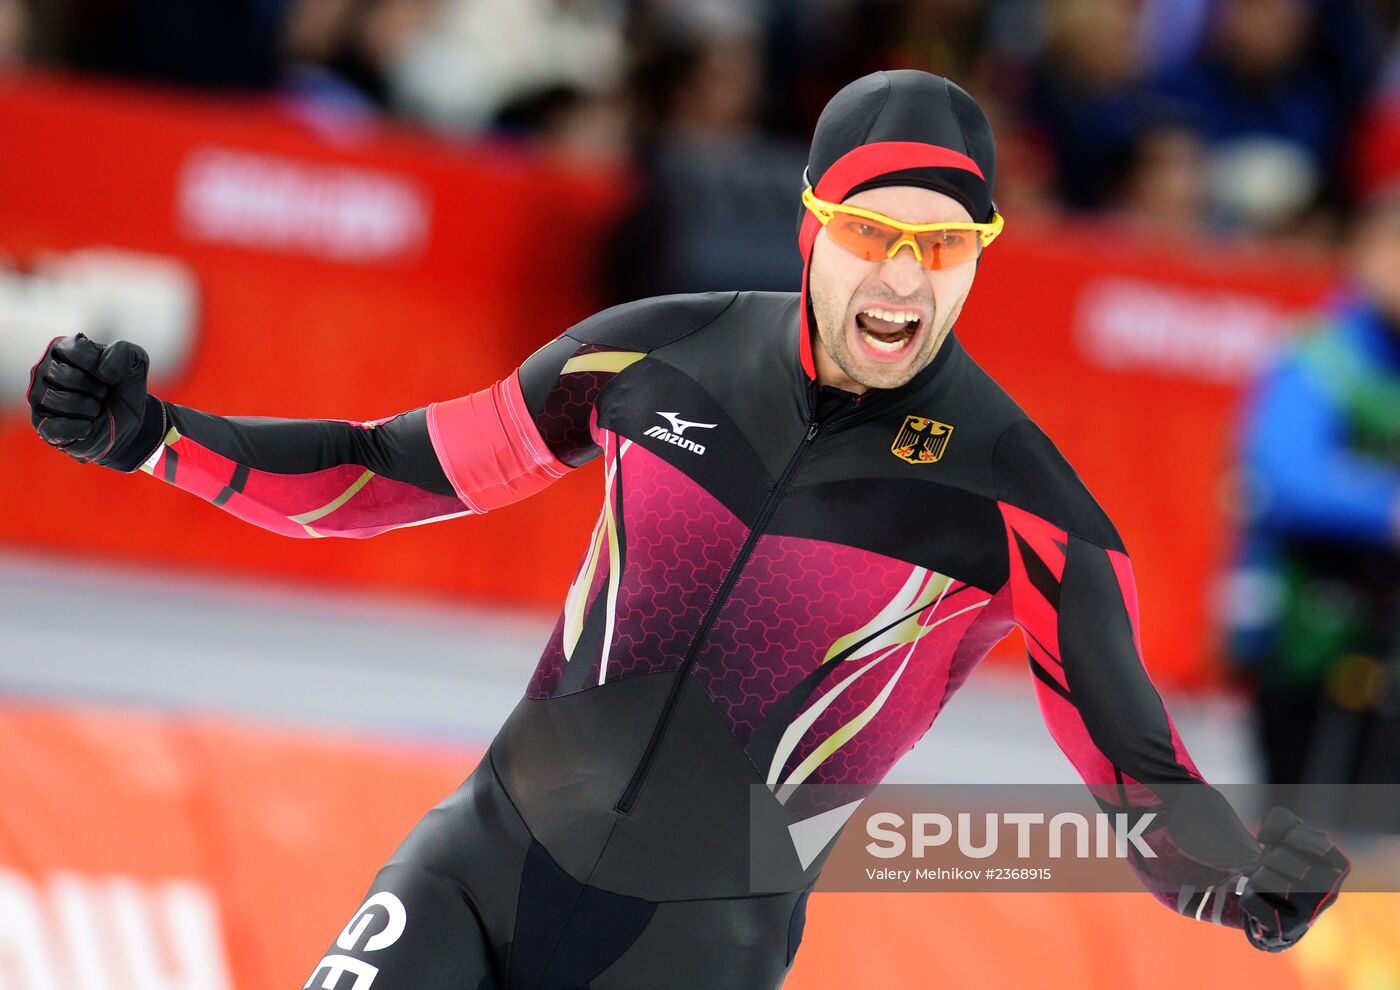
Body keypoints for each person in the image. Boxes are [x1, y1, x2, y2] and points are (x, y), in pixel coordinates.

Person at [28, 71, 1348, 987]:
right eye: (875, 232)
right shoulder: (653, 359)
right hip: (478, 869)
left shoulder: (1023, 505)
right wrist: (156, 439)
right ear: (814, 222)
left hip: (695, 947)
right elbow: (391, 469)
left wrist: (1239, 877)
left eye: (943, 249)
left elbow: (1138, 772)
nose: (902, 277)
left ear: (984, 256)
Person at [1231, 180, 1400, 831]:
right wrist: (1384, 507)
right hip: (1307, 626)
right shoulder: (1319, 354)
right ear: (1361, 254)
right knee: (1293, 821)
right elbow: (1284, 474)